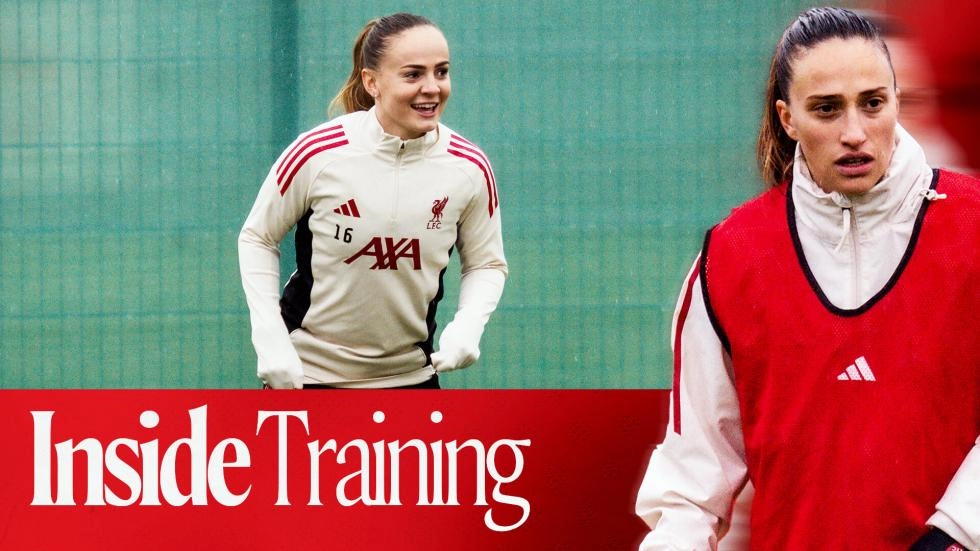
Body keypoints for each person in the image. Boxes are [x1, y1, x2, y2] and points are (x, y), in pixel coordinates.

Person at [635, 7, 979, 550]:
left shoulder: (974, 227)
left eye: (873, 103)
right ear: (787, 118)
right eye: (826, 109)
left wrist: (957, 535)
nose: (854, 133)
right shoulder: (730, 257)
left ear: (896, 100)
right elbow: (692, 488)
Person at [238, 13, 507, 389]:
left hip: (411, 379)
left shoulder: (468, 167)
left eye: (441, 72)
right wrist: (270, 338)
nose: (432, 88)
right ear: (372, 82)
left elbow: (487, 263)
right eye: (413, 75)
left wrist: (468, 324)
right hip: (305, 379)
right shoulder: (317, 152)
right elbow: (257, 238)